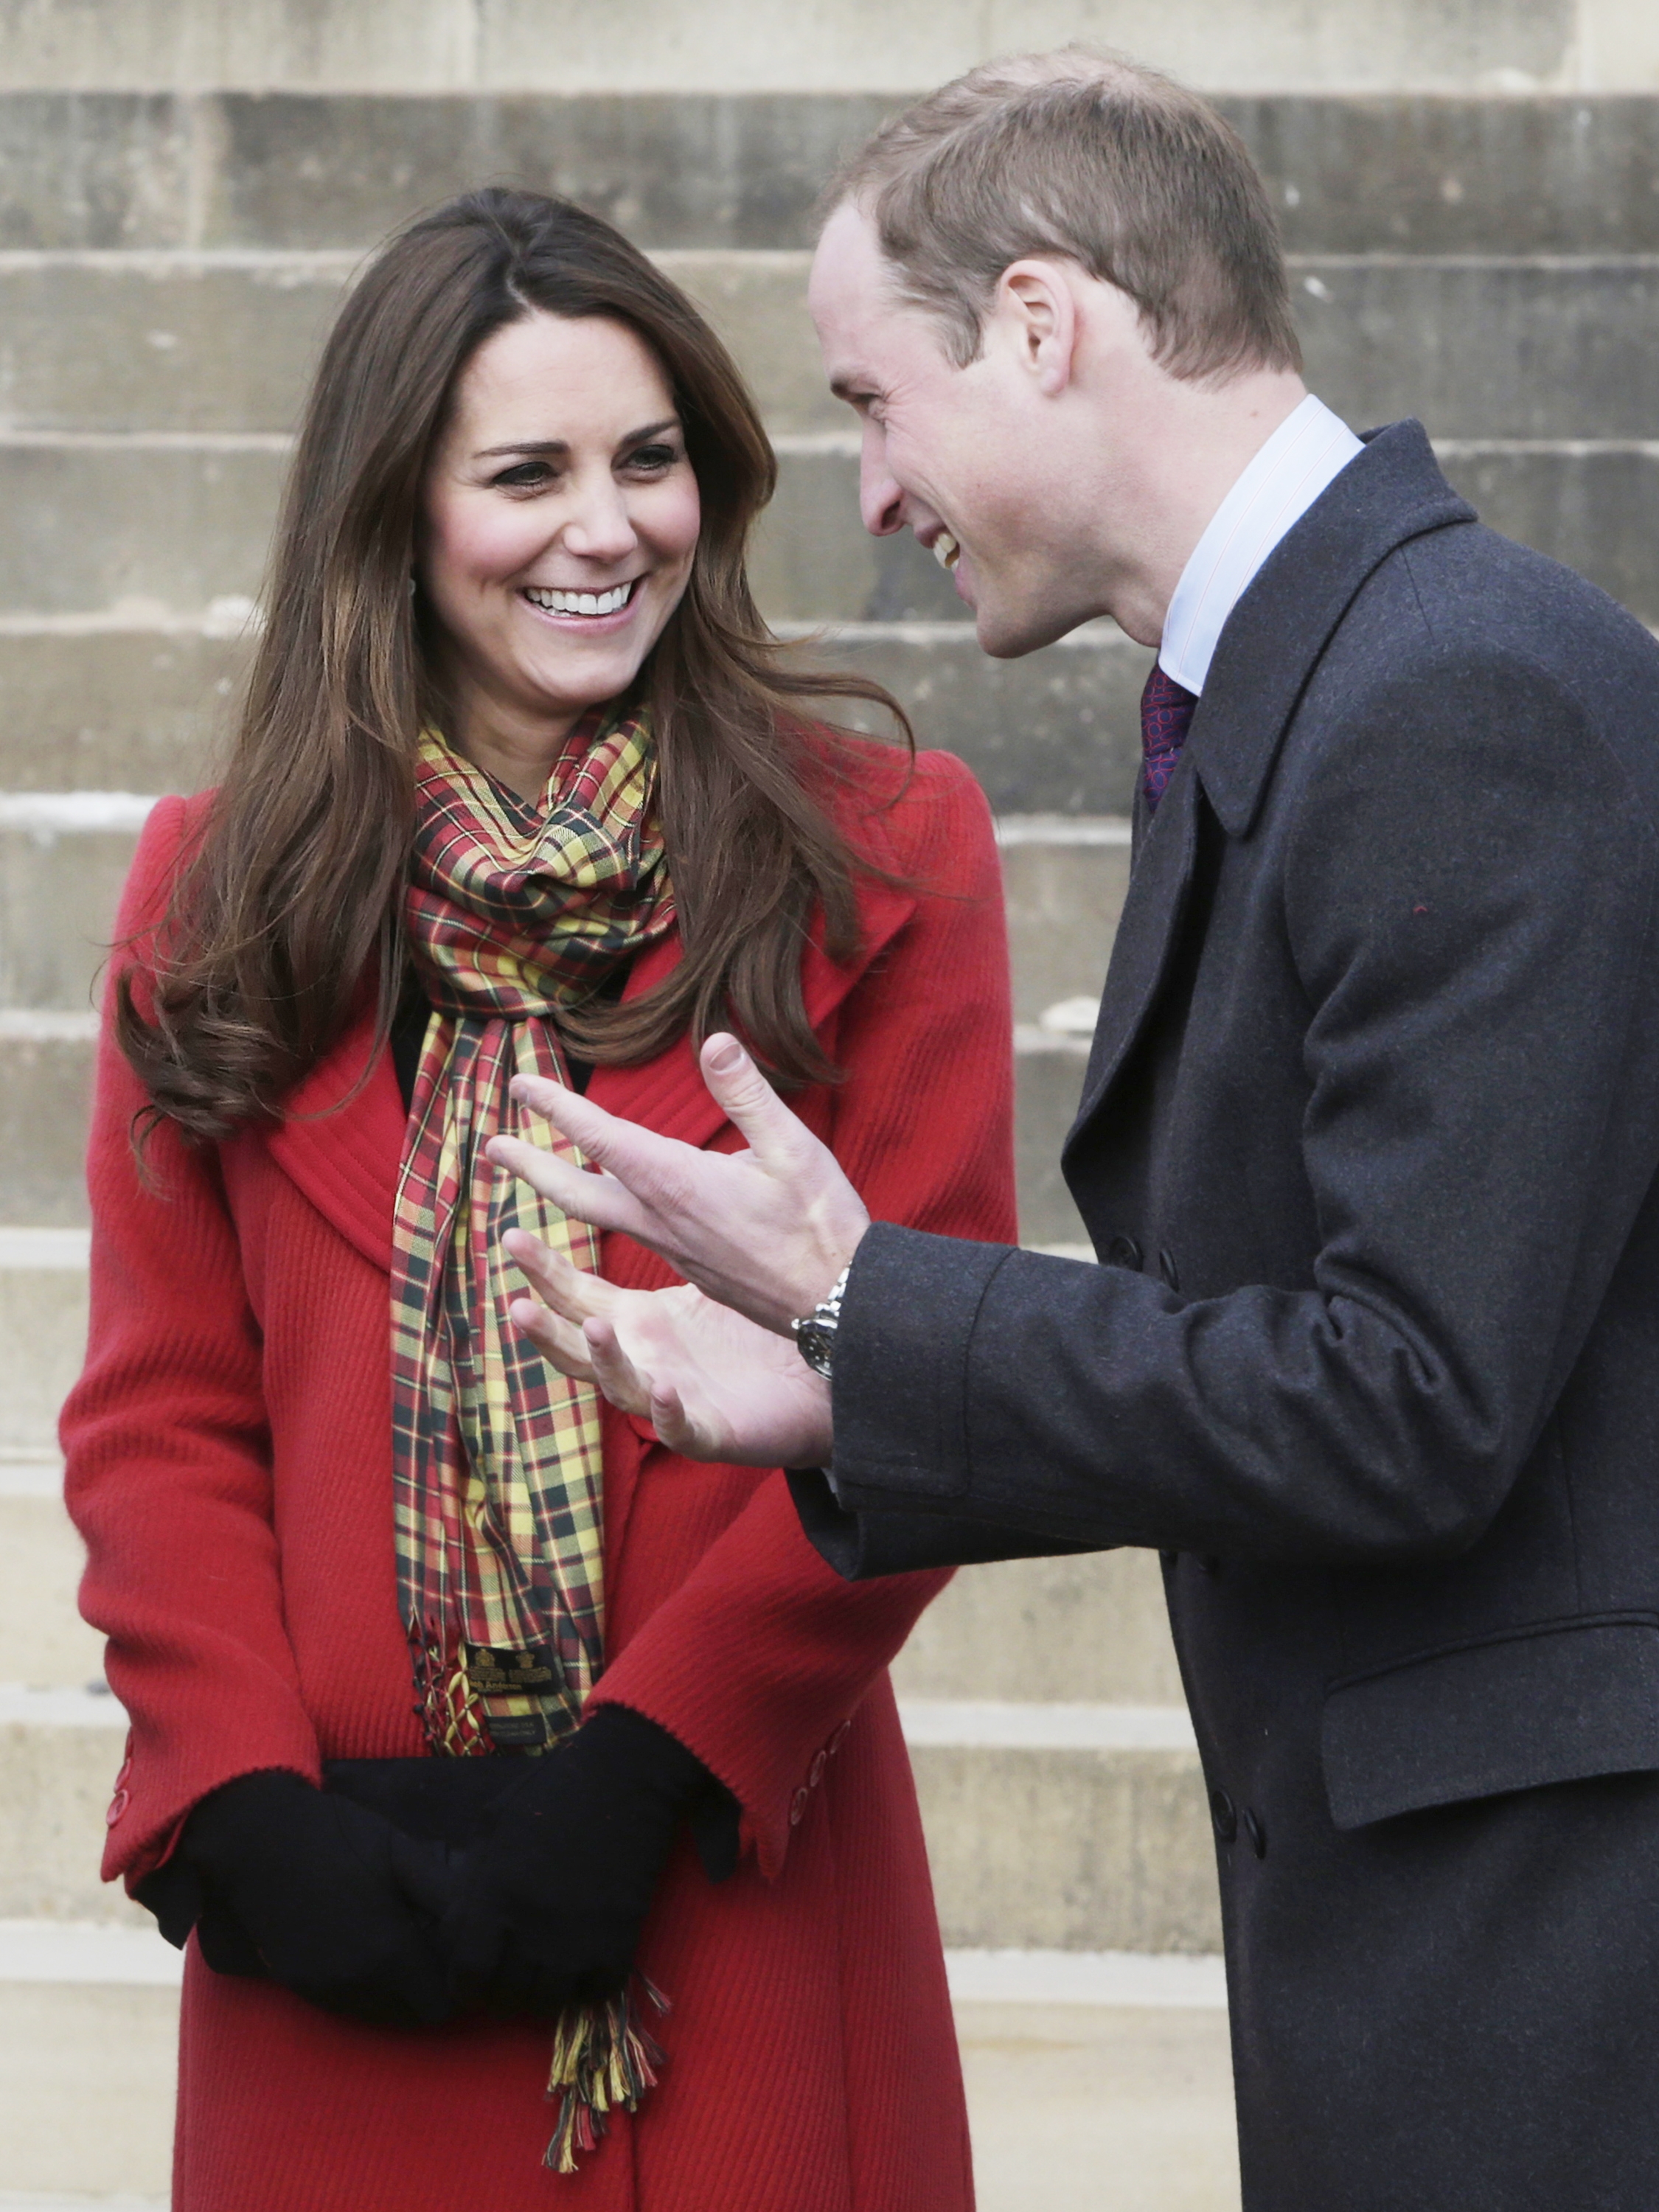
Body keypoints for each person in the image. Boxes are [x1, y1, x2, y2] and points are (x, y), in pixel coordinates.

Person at [487, 52, 1659, 2212]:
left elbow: (1406, 1402)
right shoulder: (1317, 681)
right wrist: (850, 1390)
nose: (864, 492)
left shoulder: (1451, 688)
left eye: (865, 399)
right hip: (1436, 1935)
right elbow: (1284, 1357)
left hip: (1548, 1971)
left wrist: (863, 1303)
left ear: (1039, 325)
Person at [60, 186, 1017, 2211]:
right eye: (527, 474)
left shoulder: (889, 851)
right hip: (342, 1927)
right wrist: (238, 1807)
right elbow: (161, 1418)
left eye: (649, 459)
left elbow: (933, 1375)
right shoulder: (208, 894)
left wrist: (648, 1768)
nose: (609, 530)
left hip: (728, 1878)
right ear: (395, 512)